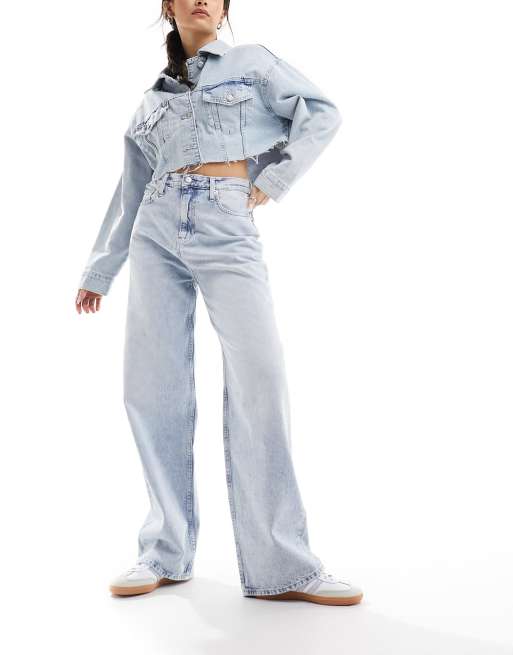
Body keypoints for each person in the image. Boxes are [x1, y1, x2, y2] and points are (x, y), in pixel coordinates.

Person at [75, 0, 363, 606]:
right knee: (152, 386)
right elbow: (130, 189)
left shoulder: (251, 62)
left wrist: (272, 181)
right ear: (169, 7)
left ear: (226, 8)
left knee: (261, 375)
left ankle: (285, 566)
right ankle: (164, 552)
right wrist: (101, 269)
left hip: (225, 222)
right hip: (155, 230)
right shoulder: (150, 101)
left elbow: (321, 113)